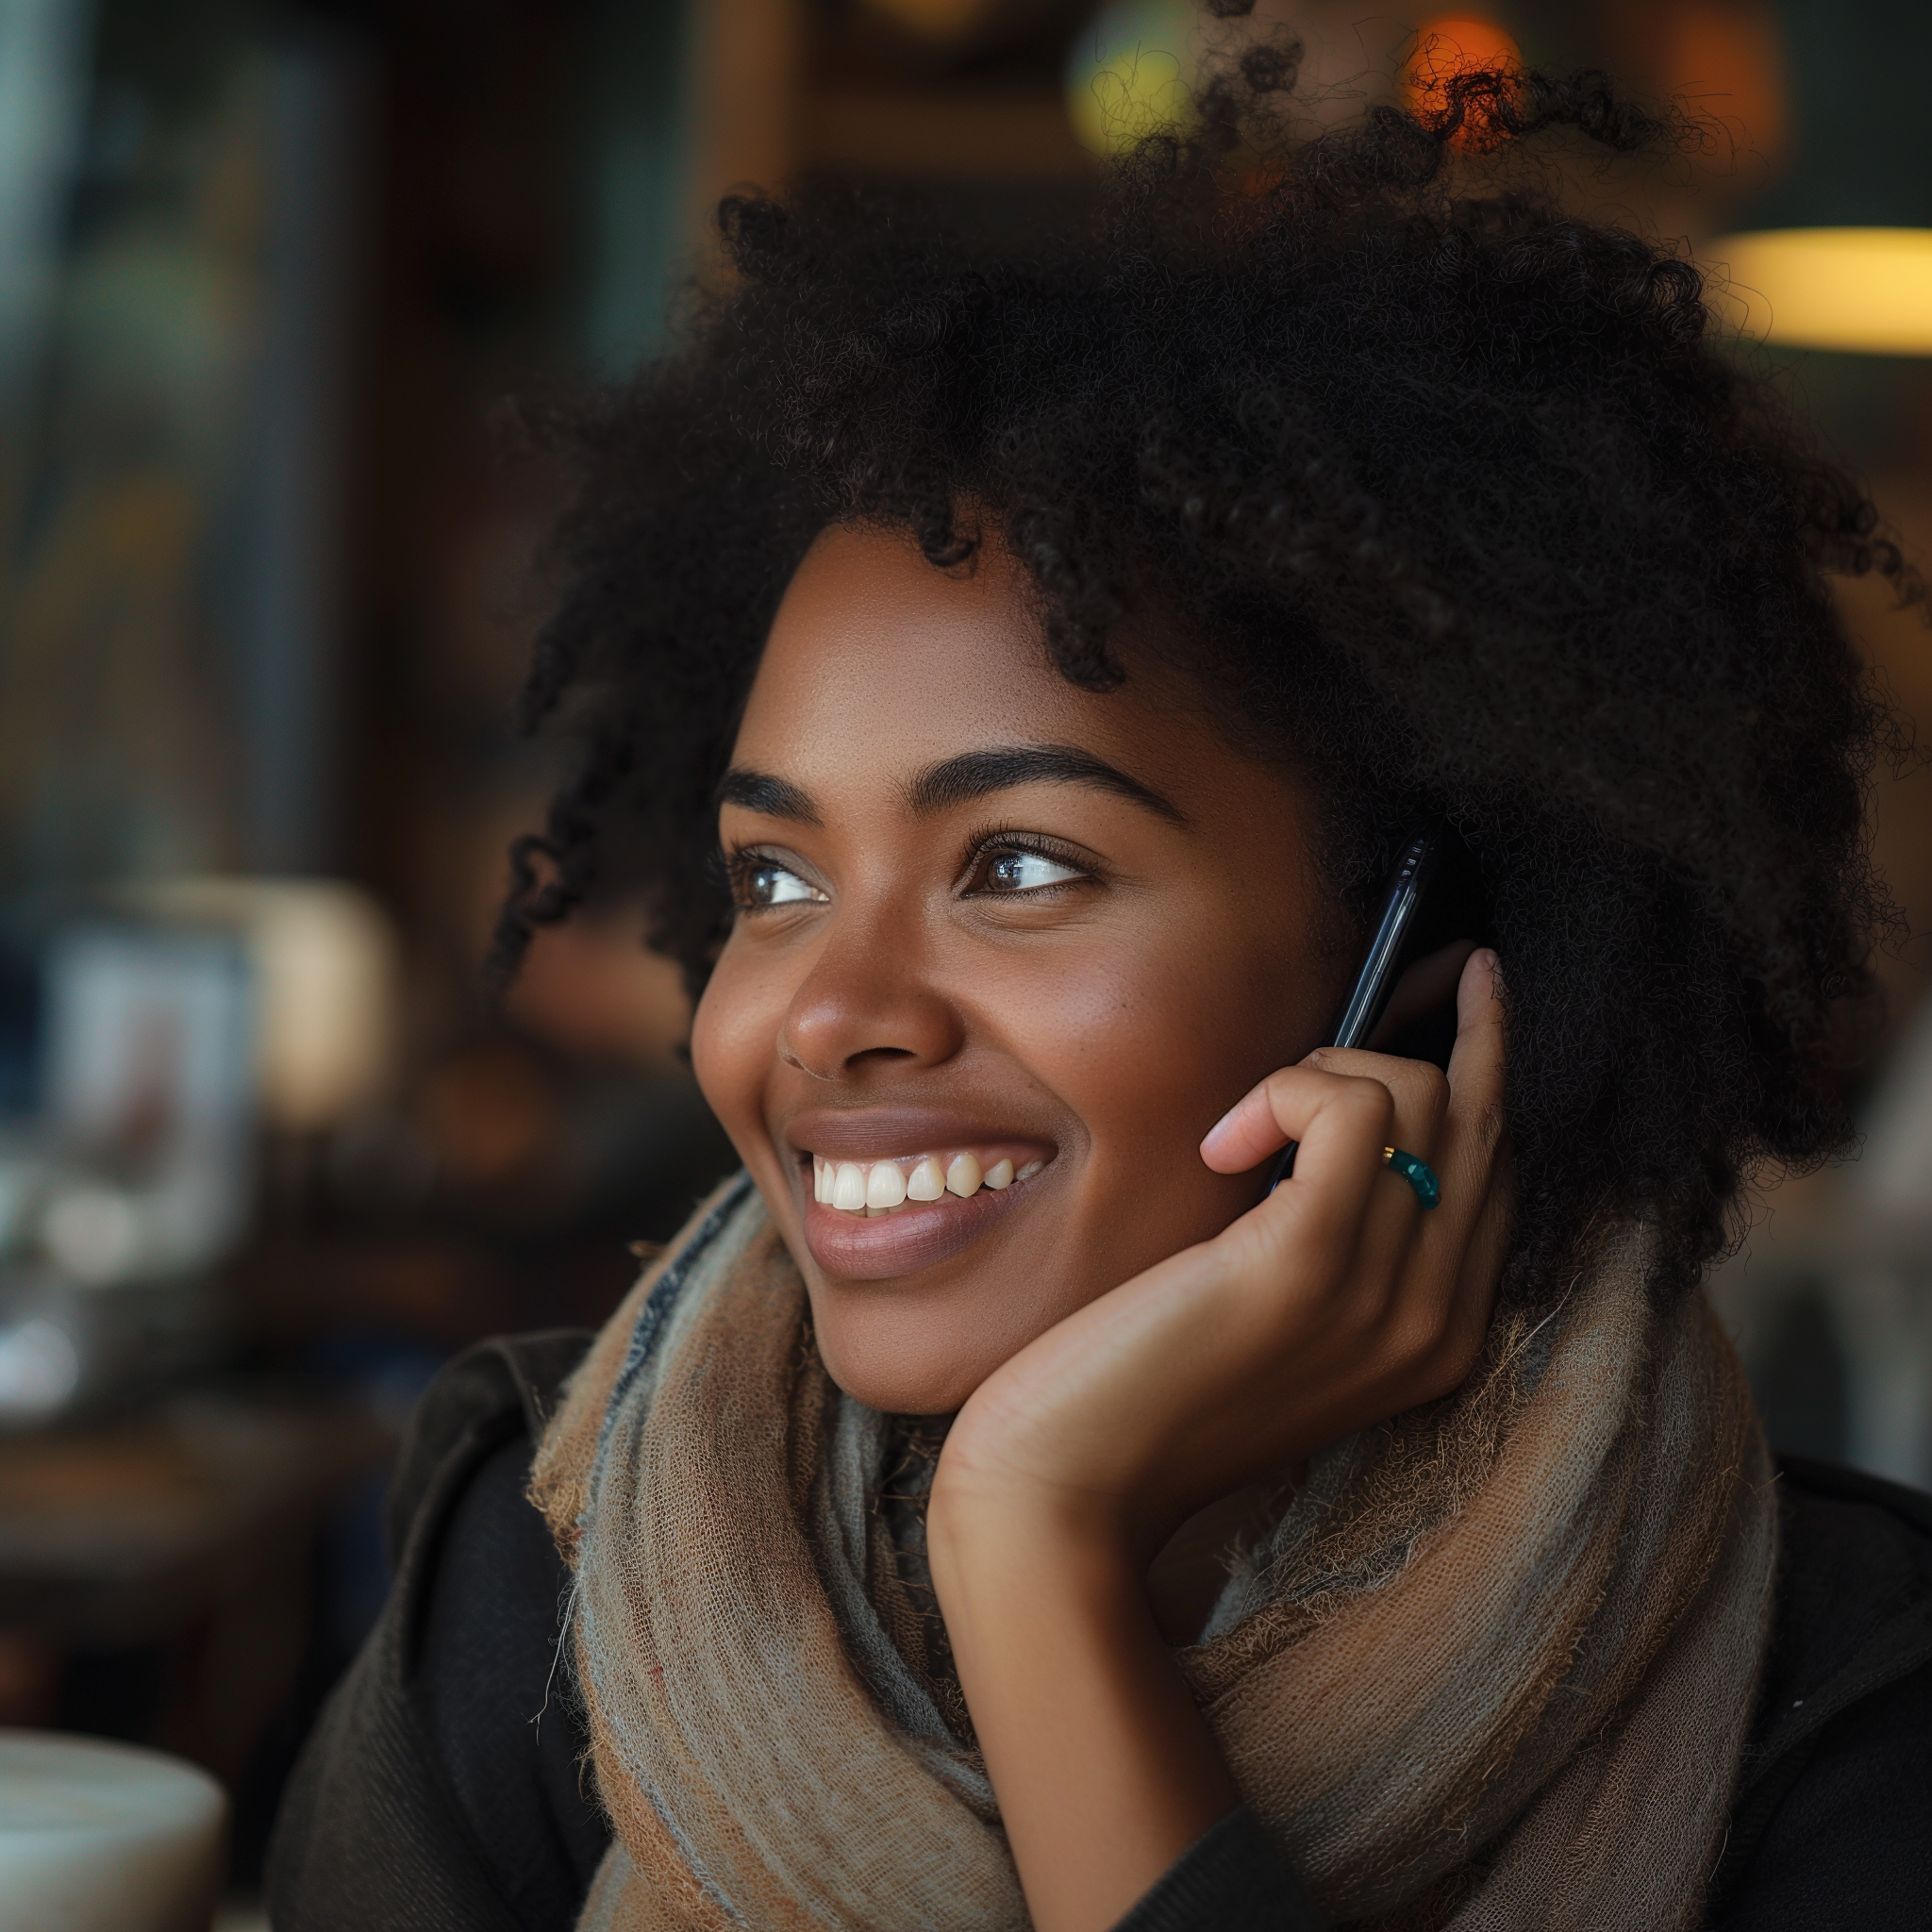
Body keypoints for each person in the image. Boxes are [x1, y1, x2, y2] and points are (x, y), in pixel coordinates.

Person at [268, 43, 1932, 1932]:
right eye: (777, 878)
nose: (824, 1014)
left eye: (1024, 868)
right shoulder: (536, 1568)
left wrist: (1034, 1549)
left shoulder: (1841, 1709)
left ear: (1409, 986)